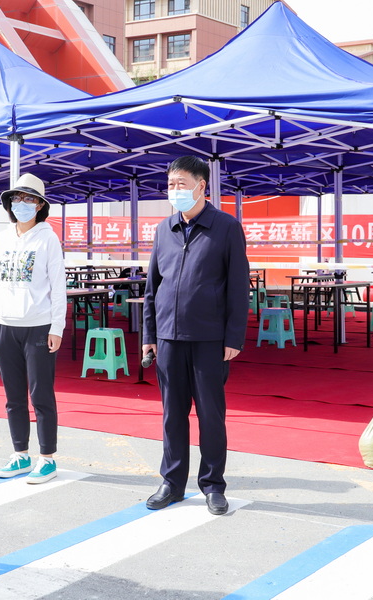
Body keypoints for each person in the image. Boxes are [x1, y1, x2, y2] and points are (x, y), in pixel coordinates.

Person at [141, 155, 249, 516]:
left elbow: (238, 287)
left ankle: (213, 485)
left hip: (209, 339)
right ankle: (171, 483)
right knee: (172, 415)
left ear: (202, 186)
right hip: (168, 338)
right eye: (171, 184)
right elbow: (153, 287)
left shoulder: (226, 227)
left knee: (210, 416)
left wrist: (233, 338)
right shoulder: (164, 229)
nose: (175, 191)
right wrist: (150, 333)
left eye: (182, 184)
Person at [0, 173, 67, 484]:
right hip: (5, 326)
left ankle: (47, 458)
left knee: (41, 394)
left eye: (29, 199)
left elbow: (58, 286)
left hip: (38, 327)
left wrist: (57, 327)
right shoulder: (3, 238)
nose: (22, 204)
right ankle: (20, 454)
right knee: (13, 396)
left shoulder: (48, 239)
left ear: (40, 205)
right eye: (17, 198)